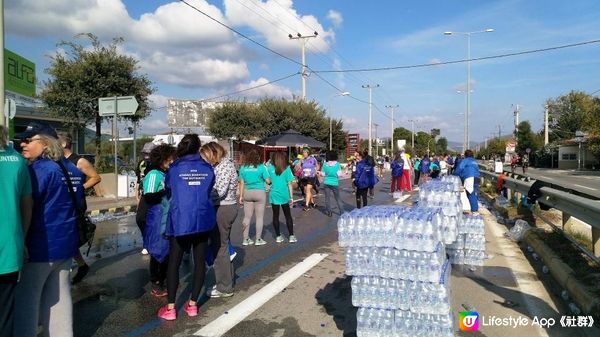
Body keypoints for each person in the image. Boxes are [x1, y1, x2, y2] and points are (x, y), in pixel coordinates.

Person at [14, 122, 84, 336]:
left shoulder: (38, 171)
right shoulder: (71, 169)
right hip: (65, 245)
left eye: (28, 140)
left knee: (27, 303)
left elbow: (25, 206)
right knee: (60, 300)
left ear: (45, 144)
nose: (22, 144)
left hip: (39, 246)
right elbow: (79, 204)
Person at [157, 134, 215, 320]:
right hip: (203, 219)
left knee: (174, 262)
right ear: (198, 148)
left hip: (181, 219)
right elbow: (209, 187)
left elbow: (168, 188)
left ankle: (171, 308)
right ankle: (192, 305)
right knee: (199, 263)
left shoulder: (174, 168)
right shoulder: (207, 168)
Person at [0, 125, 32, 337]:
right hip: (9, 246)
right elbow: (27, 205)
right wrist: (23, 238)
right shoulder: (18, 161)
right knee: (5, 313)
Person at [57, 132, 102, 284]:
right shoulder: (58, 161)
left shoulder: (79, 161)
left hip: (76, 205)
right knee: (69, 237)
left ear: (63, 145)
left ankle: (67, 268)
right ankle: (81, 265)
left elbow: (96, 177)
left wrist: (80, 187)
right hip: (64, 203)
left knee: (69, 236)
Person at [201, 142, 239, 298]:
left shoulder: (223, 167)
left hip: (222, 208)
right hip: (225, 208)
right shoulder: (224, 165)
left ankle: (224, 287)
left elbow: (220, 191)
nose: (204, 160)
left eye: (205, 157)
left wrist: (202, 195)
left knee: (220, 248)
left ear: (213, 153)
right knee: (223, 246)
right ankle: (227, 281)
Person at [141, 144, 176, 298]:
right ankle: (156, 282)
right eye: (170, 158)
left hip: (166, 216)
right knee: (157, 250)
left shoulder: (166, 172)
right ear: (163, 158)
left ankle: (163, 279)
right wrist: (165, 192)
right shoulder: (154, 174)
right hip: (156, 216)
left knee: (166, 250)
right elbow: (148, 196)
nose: (172, 160)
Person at [239, 149, 271, 246]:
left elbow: (241, 182)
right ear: (258, 158)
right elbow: (268, 181)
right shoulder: (261, 167)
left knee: (247, 217)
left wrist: (241, 196)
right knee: (259, 217)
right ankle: (258, 239)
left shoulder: (243, 168)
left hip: (247, 192)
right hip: (259, 192)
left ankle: (245, 239)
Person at [268, 152, 297, 243]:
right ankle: (291, 236)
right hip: (284, 194)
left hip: (274, 194)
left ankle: (278, 236)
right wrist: (291, 197)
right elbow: (290, 184)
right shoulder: (287, 168)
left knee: (275, 216)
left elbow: (268, 181)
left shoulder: (270, 168)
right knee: (288, 215)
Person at [136, 142, 157, 255]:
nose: (146, 156)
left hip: (157, 194)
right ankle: (147, 239)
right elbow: (139, 180)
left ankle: (152, 242)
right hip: (144, 194)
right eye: (145, 153)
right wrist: (137, 195)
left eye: (149, 154)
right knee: (140, 218)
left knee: (155, 220)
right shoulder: (141, 164)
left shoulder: (158, 164)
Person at [320, 151, 344, 217]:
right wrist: (344, 173)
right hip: (335, 183)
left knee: (327, 198)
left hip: (326, 182)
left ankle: (329, 212)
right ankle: (342, 212)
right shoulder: (337, 164)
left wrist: (319, 173)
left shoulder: (325, 164)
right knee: (338, 198)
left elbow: (323, 174)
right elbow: (339, 174)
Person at [458, 150, 481, 215]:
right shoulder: (474, 161)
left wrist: (454, 175)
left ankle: (474, 211)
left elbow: (459, 169)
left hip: (470, 177)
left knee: (471, 194)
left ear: (465, 155)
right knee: (473, 193)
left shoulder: (465, 160)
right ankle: (475, 210)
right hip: (477, 178)